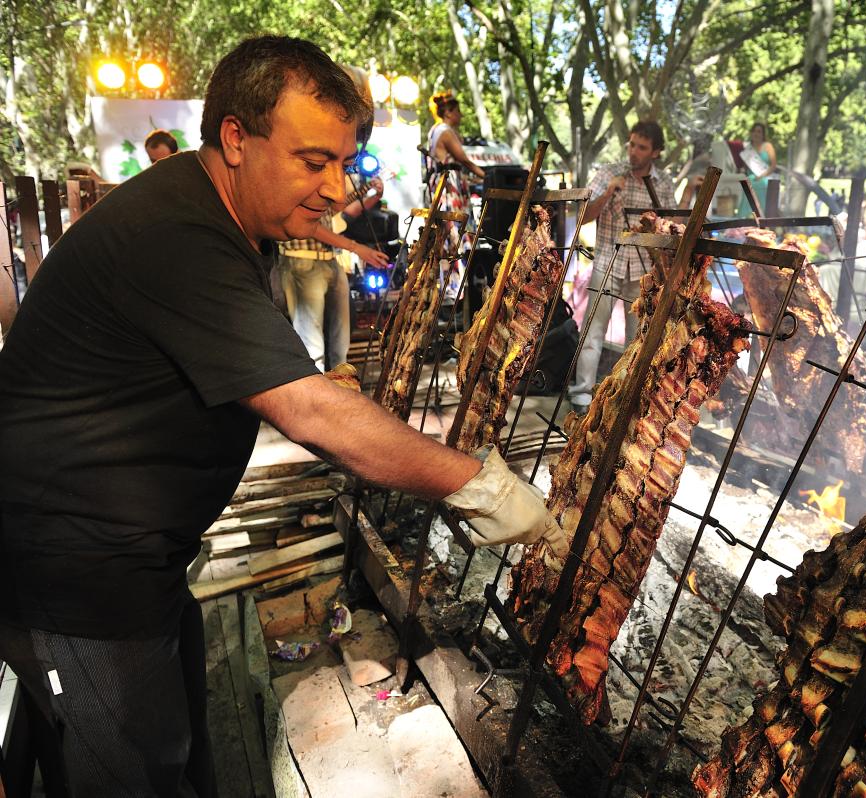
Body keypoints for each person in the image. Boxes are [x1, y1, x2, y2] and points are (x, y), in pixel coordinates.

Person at [0, 36, 565, 797]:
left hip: (138, 558)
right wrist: (479, 485)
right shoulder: (177, 234)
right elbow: (306, 411)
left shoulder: (214, 214)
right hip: (73, 569)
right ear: (236, 137)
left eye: (341, 160)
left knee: (176, 745)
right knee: (128, 772)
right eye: (312, 161)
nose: (336, 188)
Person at [567, 121, 677, 414]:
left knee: (636, 338)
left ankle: (624, 398)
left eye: (642, 147)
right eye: (632, 144)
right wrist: (607, 194)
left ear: (655, 152)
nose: (634, 152)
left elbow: (670, 227)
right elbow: (583, 217)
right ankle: (581, 395)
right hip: (608, 262)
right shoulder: (608, 172)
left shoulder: (662, 183)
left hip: (642, 269)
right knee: (592, 331)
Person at [276, 174, 388, 371]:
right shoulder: (297, 179)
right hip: (302, 259)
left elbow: (339, 210)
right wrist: (356, 247)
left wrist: (372, 195)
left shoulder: (325, 179)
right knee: (312, 345)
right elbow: (310, 226)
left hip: (329, 260)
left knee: (340, 342)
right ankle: (317, 397)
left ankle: (340, 391)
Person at [425, 91, 486, 303]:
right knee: (456, 236)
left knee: (451, 239)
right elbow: (464, 160)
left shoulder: (434, 130)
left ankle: (455, 289)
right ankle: (458, 291)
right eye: (458, 111)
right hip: (449, 190)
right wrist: (488, 177)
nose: (461, 115)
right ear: (449, 112)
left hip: (446, 188)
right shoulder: (445, 131)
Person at [737, 121, 776, 217]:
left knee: (761, 184)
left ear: (763, 134)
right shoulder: (748, 149)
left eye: (759, 131)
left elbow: (773, 165)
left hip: (765, 176)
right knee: (748, 183)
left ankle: (761, 217)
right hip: (751, 177)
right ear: (751, 133)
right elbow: (746, 168)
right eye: (754, 131)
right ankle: (745, 218)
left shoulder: (768, 146)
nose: (756, 134)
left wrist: (762, 175)